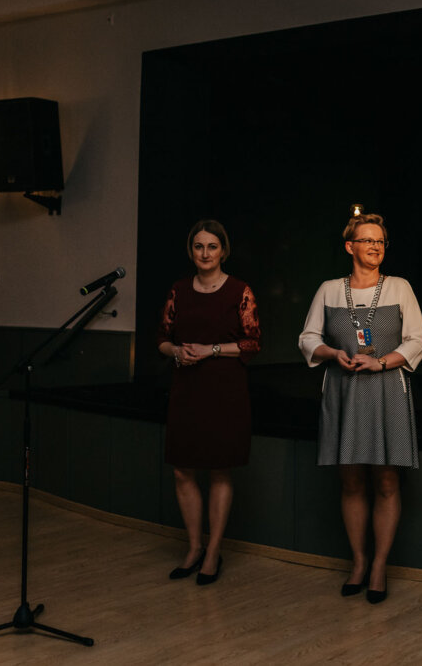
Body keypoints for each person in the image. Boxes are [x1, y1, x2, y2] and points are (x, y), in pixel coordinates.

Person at [299, 212, 422, 604]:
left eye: (380, 241)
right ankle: (358, 562)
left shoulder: (400, 287)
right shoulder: (329, 290)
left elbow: (417, 340)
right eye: (367, 240)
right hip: (344, 390)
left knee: (386, 481)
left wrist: (380, 361)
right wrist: (332, 353)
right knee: (351, 480)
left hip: (387, 390)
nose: (375, 247)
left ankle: (379, 566)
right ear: (349, 246)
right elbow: (307, 338)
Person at [157, 219, 261, 586]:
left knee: (219, 470)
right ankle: (193, 547)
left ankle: (214, 551)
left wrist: (210, 350)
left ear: (223, 251)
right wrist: (177, 352)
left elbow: (253, 343)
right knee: (182, 470)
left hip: (225, 390)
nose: (205, 253)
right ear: (191, 252)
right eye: (199, 246)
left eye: (212, 246)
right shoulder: (179, 290)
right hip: (186, 388)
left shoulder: (240, 290)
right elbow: (162, 339)